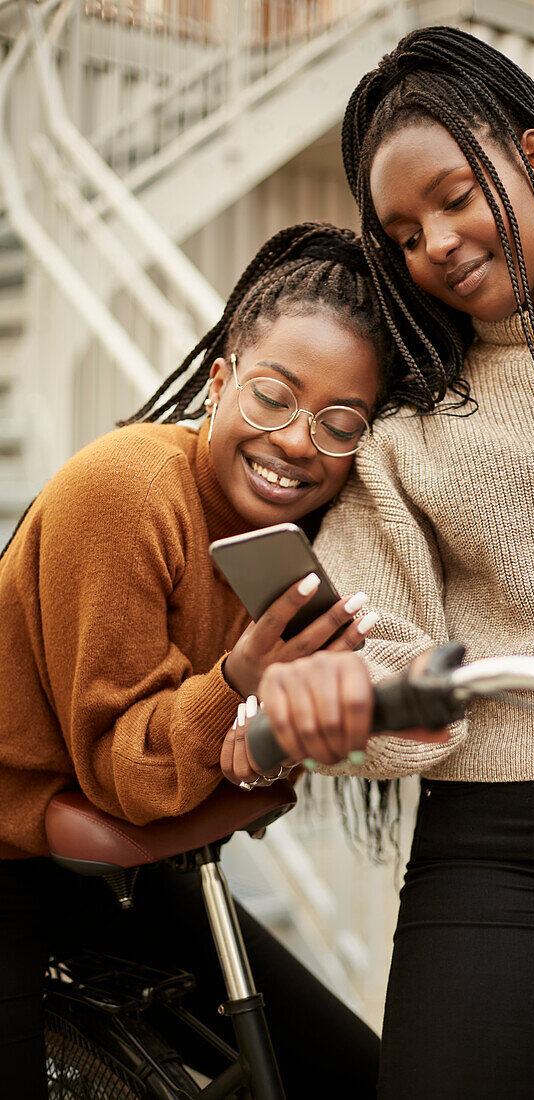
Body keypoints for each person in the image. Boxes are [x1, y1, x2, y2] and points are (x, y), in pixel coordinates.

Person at [226, 28, 534, 1100]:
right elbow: (378, 631)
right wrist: (337, 688)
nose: (438, 243)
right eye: (405, 232)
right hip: (511, 853)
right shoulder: (410, 432)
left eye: (456, 197)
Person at [0, 222, 406, 1098]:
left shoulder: (297, 535)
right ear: (219, 383)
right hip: (13, 850)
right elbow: (125, 776)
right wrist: (240, 681)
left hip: (123, 869)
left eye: (340, 423)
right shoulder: (131, 488)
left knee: (350, 1076)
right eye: (273, 396)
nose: (298, 441)